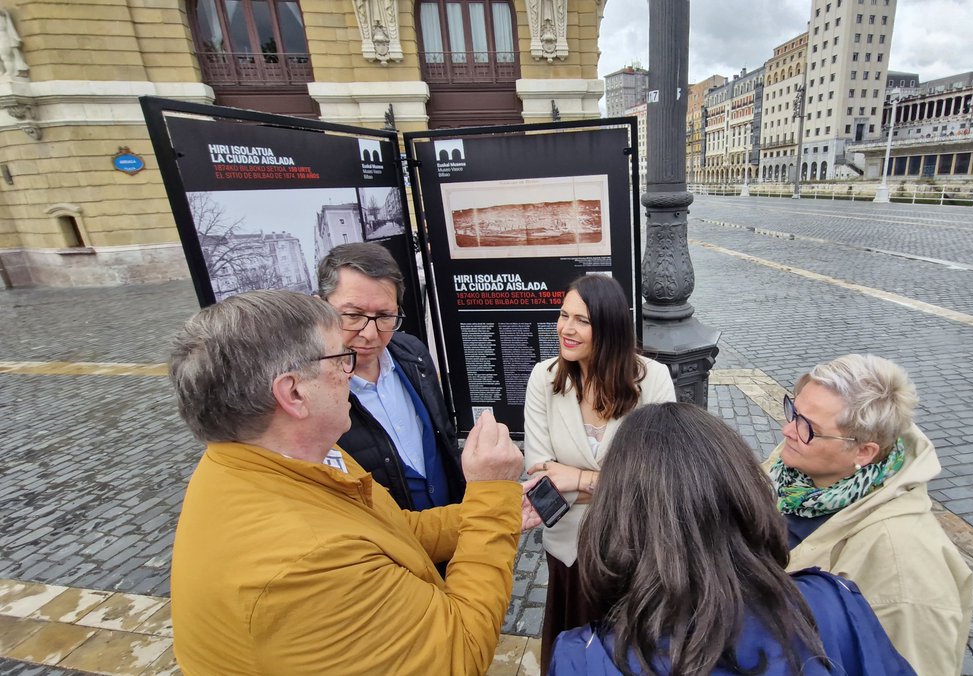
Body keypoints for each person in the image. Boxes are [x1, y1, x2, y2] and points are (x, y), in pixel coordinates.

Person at [169, 290, 529, 675]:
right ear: (293, 392)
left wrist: (492, 511)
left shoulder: (279, 461)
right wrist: (490, 496)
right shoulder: (307, 563)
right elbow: (460, 651)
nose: (350, 371)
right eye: (340, 358)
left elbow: (392, 530)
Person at [548, 403, 915, 676]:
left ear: (618, 521)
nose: (789, 429)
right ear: (744, 496)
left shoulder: (582, 658)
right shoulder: (835, 601)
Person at [764, 354, 973, 676]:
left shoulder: (906, 566)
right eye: (794, 411)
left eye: (807, 427)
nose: (787, 429)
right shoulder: (791, 469)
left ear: (863, 451)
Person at [524, 274, 676, 672]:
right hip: (569, 551)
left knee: (632, 653)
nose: (566, 329)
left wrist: (575, 478)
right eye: (563, 315)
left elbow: (658, 479)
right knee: (574, 652)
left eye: (582, 320)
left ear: (608, 327)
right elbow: (541, 476)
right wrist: (613, 480)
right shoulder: (543, 379)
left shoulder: (653, 380)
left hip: (633, 549)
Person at [316, 242, 464, 512]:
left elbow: (443, 436)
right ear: (319, 307)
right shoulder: (308, 390)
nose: (370, 334)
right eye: (352, 315)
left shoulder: (413, 352)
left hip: (451, 525)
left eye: (385, 316)